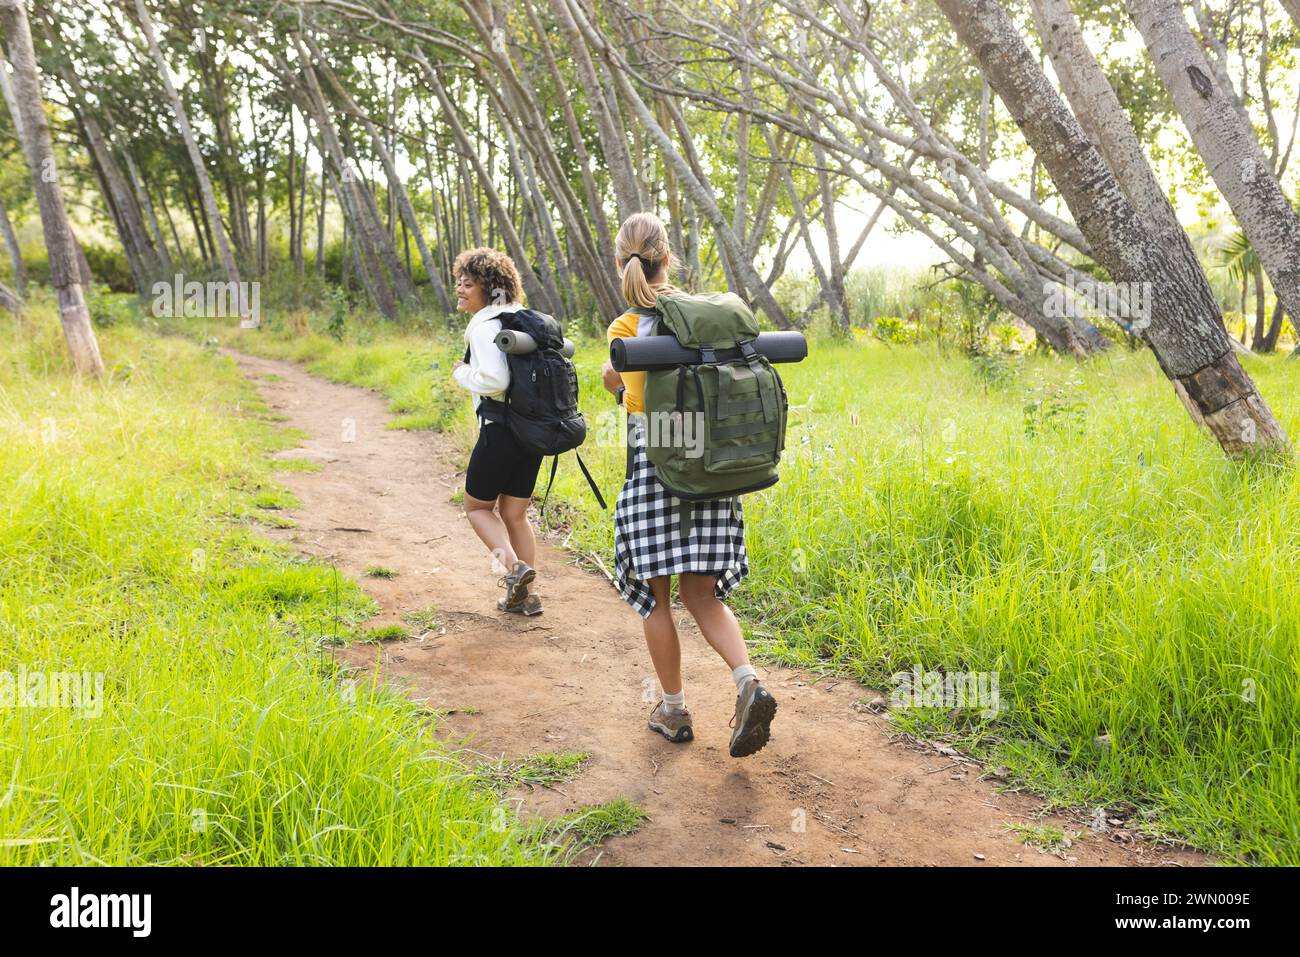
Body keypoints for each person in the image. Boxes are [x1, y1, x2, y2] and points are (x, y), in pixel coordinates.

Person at [601, 212, 777, 758]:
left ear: (622, 262)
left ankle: (674, 710)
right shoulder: (708, 319)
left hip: (656, 464)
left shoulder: (626, 328)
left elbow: (630, 396)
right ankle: (748, 681)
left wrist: (613, 379)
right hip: (711, 466)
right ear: (669, 257)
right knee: (700, 593)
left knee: (656, 599)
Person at [451, 247, 543, 616]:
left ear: (488, 288)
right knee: (515, 514)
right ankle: (528, 596)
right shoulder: (526, 319)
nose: (459, 288)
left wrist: (460, 372)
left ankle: (515, 568)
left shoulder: (486, 326)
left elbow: (495, 379)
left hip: (500, 432)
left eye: (468, 283)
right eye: (458, 281)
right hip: (532, 434)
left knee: (476, 508)